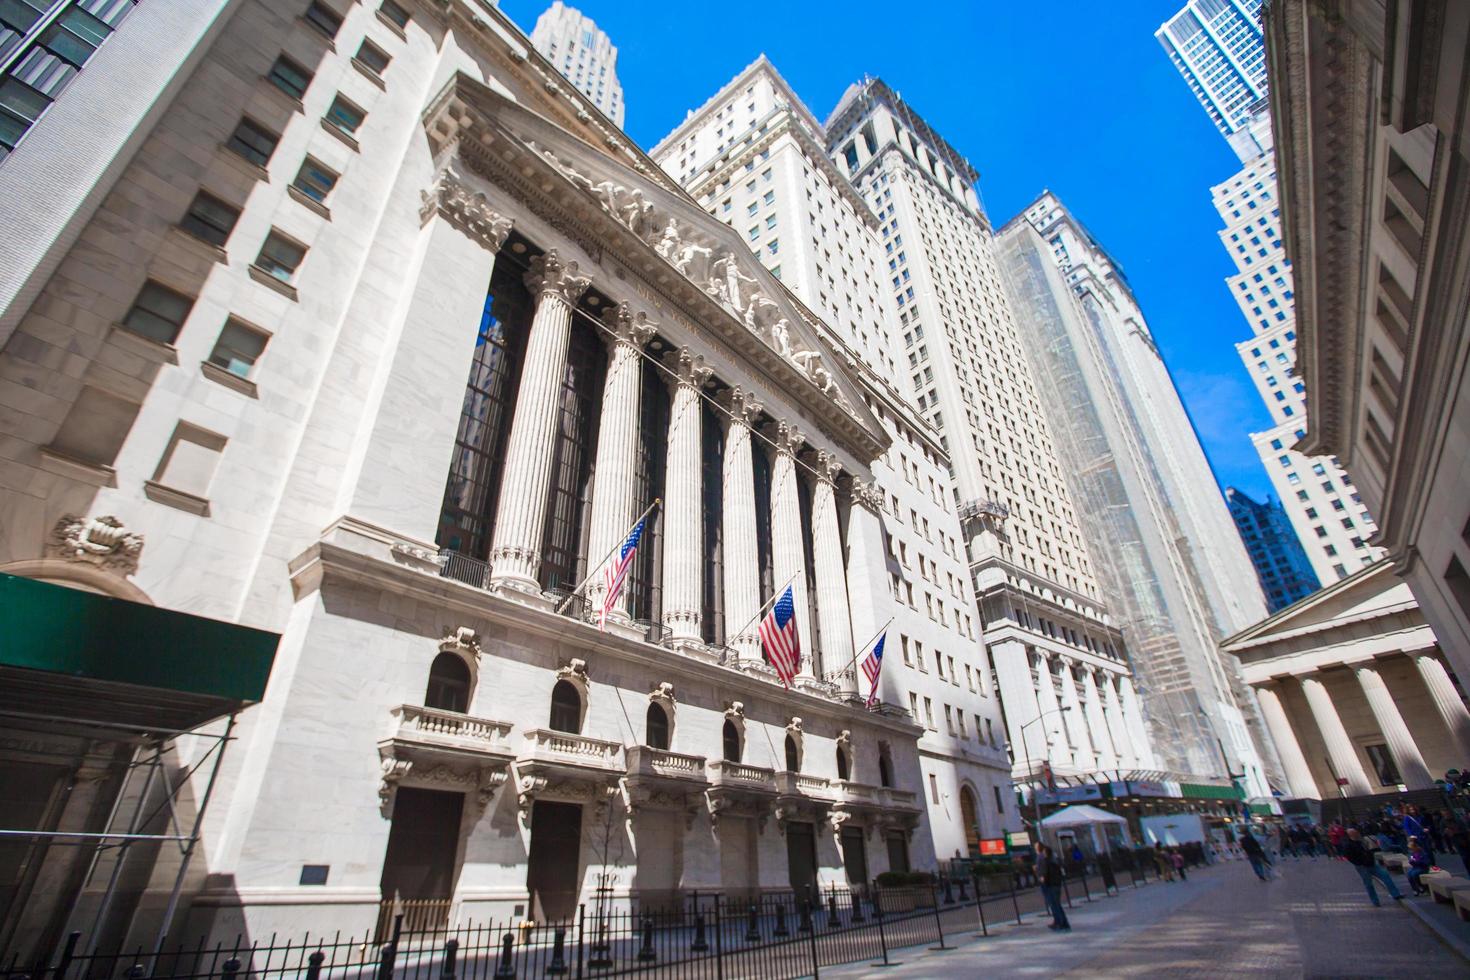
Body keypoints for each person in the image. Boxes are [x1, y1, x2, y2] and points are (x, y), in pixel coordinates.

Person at [1343, 827, 1403, 906]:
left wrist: (1370, 857)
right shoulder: (1348, 845)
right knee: (1369, 884)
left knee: (1385, 875)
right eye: (1354, 832)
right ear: (1350, 834)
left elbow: (1368, 850)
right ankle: (1375, 901)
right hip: (1362, 866)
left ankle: (1395, 894)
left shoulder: (1361, 841)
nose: (1356, 833)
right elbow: (1349, 857)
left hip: (1371, 864)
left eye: (1355, 831)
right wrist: (1359, 862)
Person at [1037, 844, 1071, 931]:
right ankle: (1063, 922)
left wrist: (1042, 878)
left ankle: (1060, 923)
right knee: (1057, 905)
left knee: (1054, 905)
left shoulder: (1047, 862)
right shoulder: (1055, 861)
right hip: (1056, 884)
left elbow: (1045, 875)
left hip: (1050, 885)